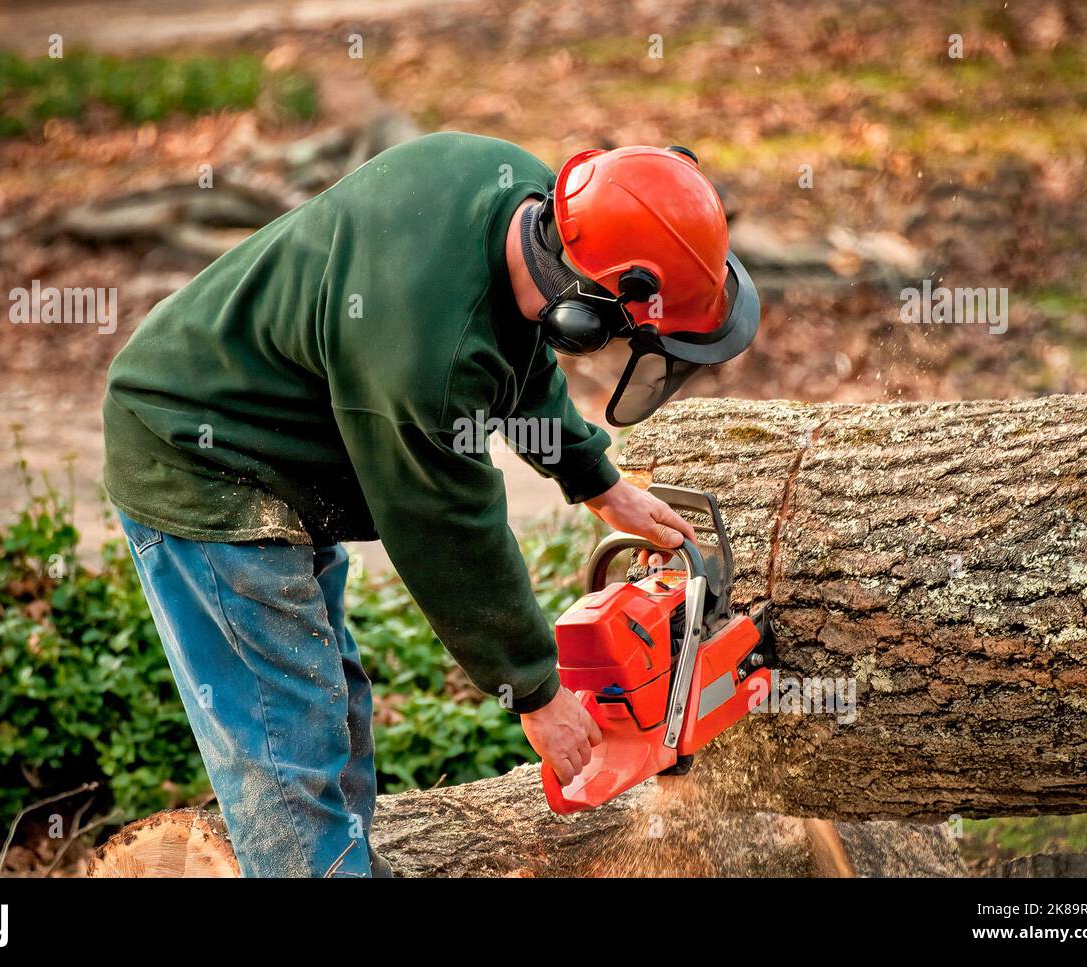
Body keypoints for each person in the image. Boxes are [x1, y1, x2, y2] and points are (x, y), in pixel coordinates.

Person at [101, 132, 760, 876]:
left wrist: (596, 480)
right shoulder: (426, 362)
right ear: (586, 312)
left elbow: (516, 352)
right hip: (198, 456)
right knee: (288, 748)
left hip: (277, 443)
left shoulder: (529, 205)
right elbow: (449, 532)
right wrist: (537, 689)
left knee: (333, 708)